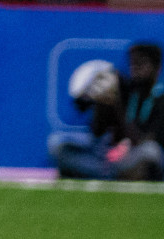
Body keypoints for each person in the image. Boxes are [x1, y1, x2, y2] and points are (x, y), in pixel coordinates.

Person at [49, 43, 164, 181]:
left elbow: (142, 141)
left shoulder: (160, 99)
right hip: (104, 160)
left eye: (141, 63)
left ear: (157, 68)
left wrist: (116, 104)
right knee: (57, 146)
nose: (135, 68)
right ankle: (105, 175)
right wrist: (101, 102)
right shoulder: (123, 87)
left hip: (131, 158)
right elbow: (97, 132)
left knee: (151, 152)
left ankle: (104, 175)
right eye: (132, 63)